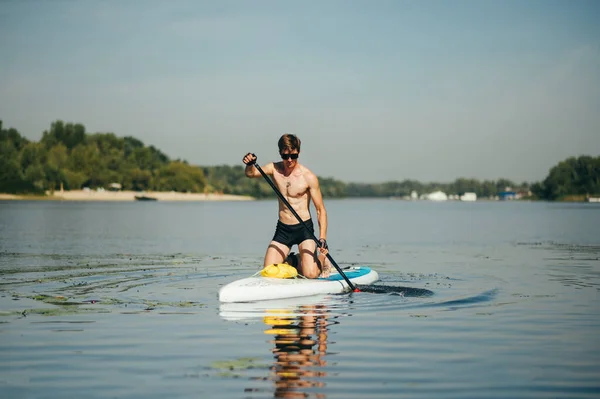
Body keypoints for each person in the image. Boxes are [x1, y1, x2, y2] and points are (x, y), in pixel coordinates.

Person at [243, 134, 331, 279]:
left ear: (298, 152)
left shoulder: (308, 177)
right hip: (284, 229)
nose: (289, 160)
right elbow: (251, 174)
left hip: (304, 229)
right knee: (269, 272)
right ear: (280, 153)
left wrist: (322, 238)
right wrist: (249, 164)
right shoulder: (274, 169)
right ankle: (295, 260)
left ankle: (322, 259)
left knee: (310, 274)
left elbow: (320, 210)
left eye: (293, 155)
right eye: (285, 156)